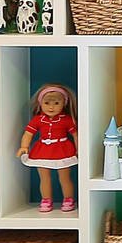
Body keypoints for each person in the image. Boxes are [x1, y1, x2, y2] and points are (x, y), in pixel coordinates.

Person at [19, 83, 79, 212]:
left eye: (56, 103)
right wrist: (24, 146)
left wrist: (79, 148)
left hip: (63, 149)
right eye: (47, 103)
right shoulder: (38, 120)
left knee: (64, 177)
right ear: (40, 103)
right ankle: (46, 199)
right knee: (44, 177)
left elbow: (75, 134)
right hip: (43, 150)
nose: (51, 107)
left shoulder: (67, 120)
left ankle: (68, 199)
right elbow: (28, 133)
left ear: (64, 104)